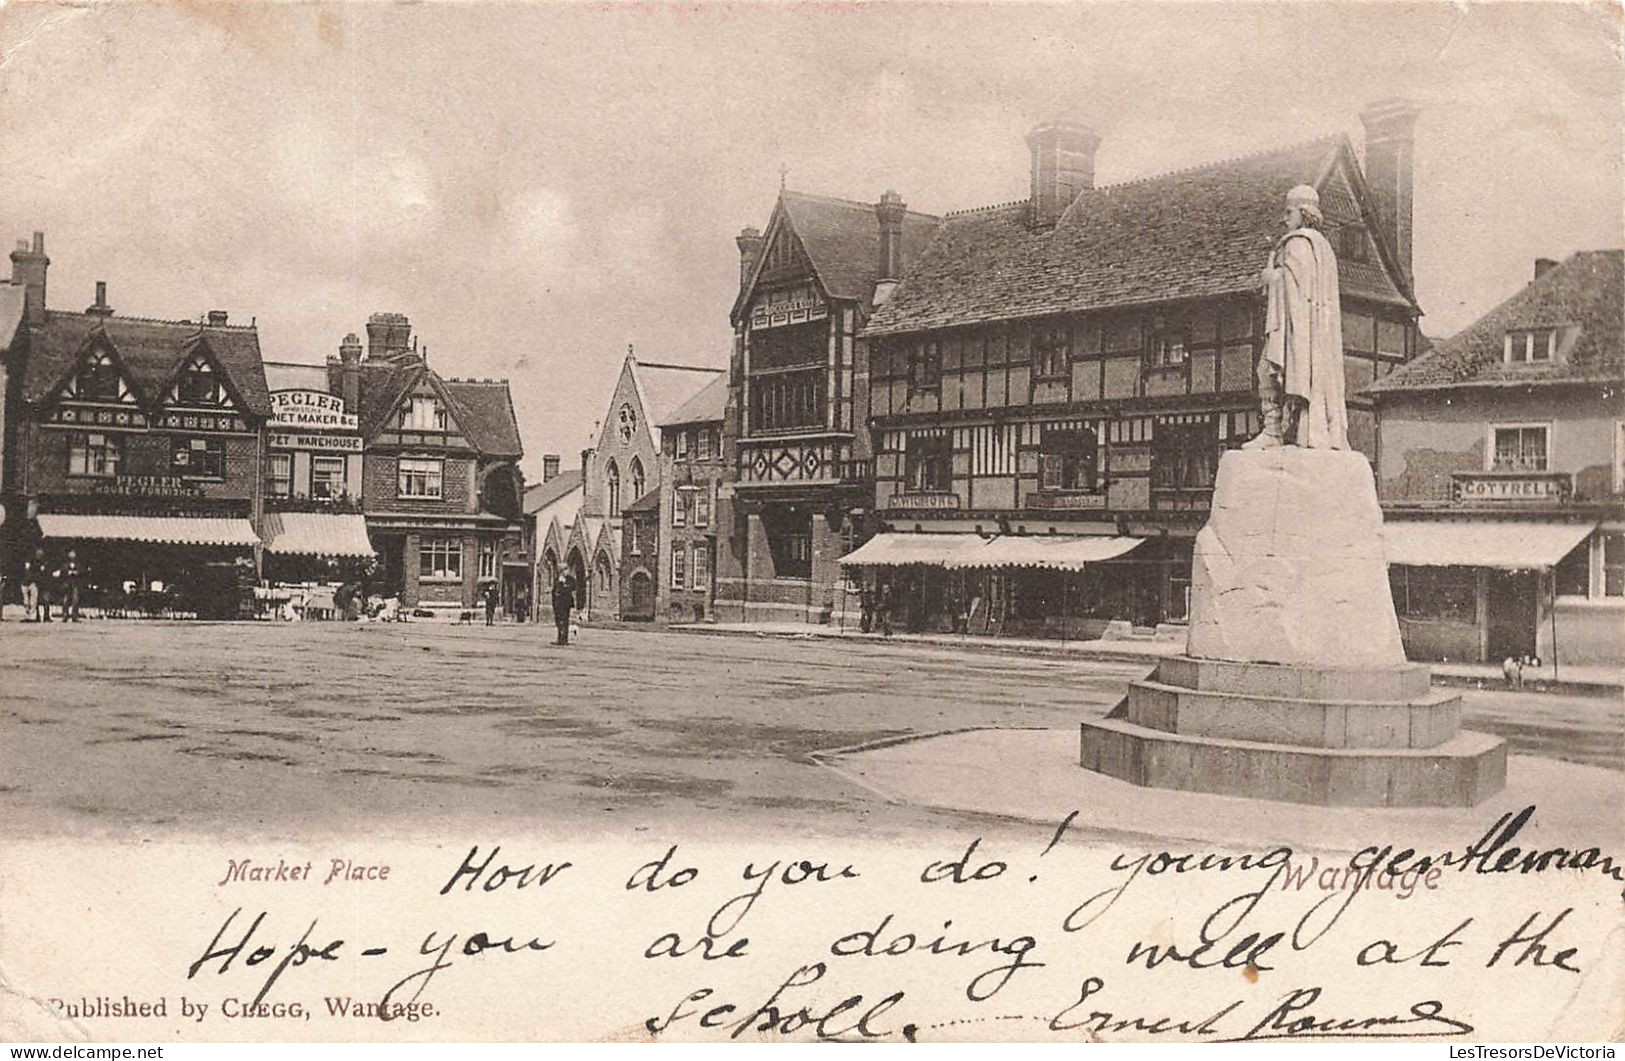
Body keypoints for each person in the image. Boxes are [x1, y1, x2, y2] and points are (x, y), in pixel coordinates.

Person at [1244, 184, 1349, 451]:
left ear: (1303, 213)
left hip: (1295, 328)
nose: (1285, 217)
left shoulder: (1298, 244)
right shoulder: (1323, 248)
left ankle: (1273, 430)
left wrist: (1272, 278)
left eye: (1289, 211)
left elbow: (1295, 287)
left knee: (1265, 370)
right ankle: (1289, 429)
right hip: (1313, 331)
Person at [551, 573, 576, 645]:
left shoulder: (570, 580)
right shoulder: (557, 579)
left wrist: (563, 584)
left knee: (564, 621)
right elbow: (554, 590)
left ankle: (564, 639)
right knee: (558, 621)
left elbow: (572, 588)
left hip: (565, 604)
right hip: (557, 604)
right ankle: (559, 638)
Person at [61, 550, 82, 621]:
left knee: (75, 600)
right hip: (67, 584)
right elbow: (62, 573)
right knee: (65, 600)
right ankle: (65, 615)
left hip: (75, 584)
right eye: (71, 554)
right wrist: (68, 573)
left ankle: (74, 616)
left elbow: (81, 572)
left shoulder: (78, 564)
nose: (72, 556)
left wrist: (76, 573)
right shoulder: (65, 564)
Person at [20, 550, 42, 623]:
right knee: (27, 600)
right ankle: (28, 614)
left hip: (31, 582)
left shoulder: (35, 563)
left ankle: (31, 615)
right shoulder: (35, 564)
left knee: (33, 600)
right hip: (27, 582)